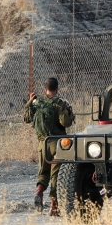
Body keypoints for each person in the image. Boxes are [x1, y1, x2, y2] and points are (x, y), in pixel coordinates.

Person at [23, 77, 74, 216]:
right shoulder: (60, 103)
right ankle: (54, 207)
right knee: (55, 175)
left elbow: (27, 118)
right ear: (57, 89)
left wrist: (30, 101)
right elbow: (65, 123)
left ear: (45, 89)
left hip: (42, 144)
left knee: (43, 172)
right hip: (57, 144)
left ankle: (39, 192)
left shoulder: (37, 102)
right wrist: (70, 114)